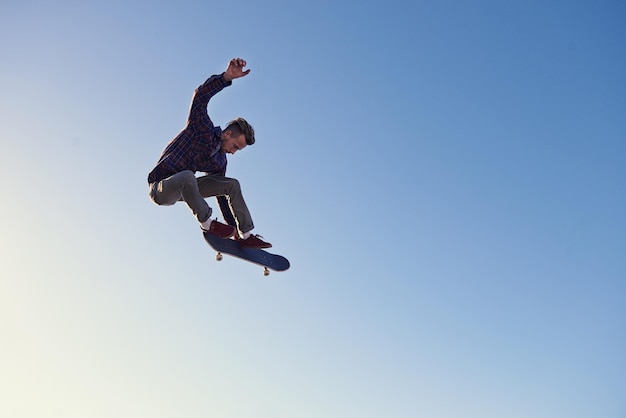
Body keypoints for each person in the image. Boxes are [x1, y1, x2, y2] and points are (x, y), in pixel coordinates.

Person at [147, 58, 271, 249]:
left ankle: (245, 235)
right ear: (227, 134)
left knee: (231, 185)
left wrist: (232, 230)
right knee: (187, 175)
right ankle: (207, 224)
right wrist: (226, 77)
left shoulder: (220, 161)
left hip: (186, 190)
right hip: (161, 188)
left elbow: (222, 195)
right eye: (235, 146)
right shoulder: (201, 126)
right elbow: (201, 96)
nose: (233, 152)